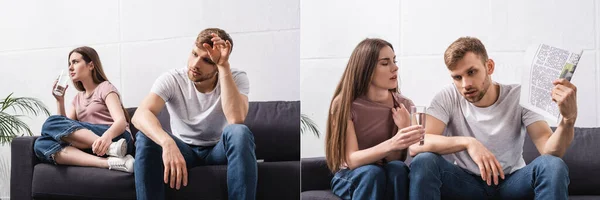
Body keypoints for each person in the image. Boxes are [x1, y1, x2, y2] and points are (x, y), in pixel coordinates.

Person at [408, 37, 577, 199]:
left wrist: (568, 120)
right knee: (424, 161)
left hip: (512, 182)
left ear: (489, 67)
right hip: (466, 183)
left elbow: (550, 151)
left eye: (471, 72)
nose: (465, 84)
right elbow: (417, 144)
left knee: (553, 166)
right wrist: (468, 142)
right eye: (457, 77)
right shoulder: (448, 96)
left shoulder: (518, 96)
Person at [132, 28, 256, 200]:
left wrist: (223, 67)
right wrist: (167, 143)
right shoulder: (173, 79)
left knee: (239, 132)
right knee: (145, 137)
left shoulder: (235, 77)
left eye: (206, 60)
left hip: (218, 150)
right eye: (194, 54)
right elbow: (140, 115)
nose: (195, 64)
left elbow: (236, 119)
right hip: (184, 149)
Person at [325, 38, 425, 200]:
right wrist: (393, 142)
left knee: (398, 169)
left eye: (394, 61)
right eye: (385, 63)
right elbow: (352, 160)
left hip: (383, 173)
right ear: (366, 69)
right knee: (372, 173)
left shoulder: (404, 105)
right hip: (351, 175)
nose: (395, 67)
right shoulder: (344, 104)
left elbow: (394, 160)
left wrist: (403, 128)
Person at [34, 46, 135, 173]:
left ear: (91, 65)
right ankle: (110, 162)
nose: (70, 67)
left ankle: (111, 147)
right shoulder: (77, 99)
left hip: (117, 138)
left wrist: (106, 139)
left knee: (50, 123)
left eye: (75, 62)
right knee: (40, 144)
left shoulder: (105, 87)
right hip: (97, 147)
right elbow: (63, 132)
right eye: (69, 63)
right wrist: (60, 101)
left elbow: (120, 121)